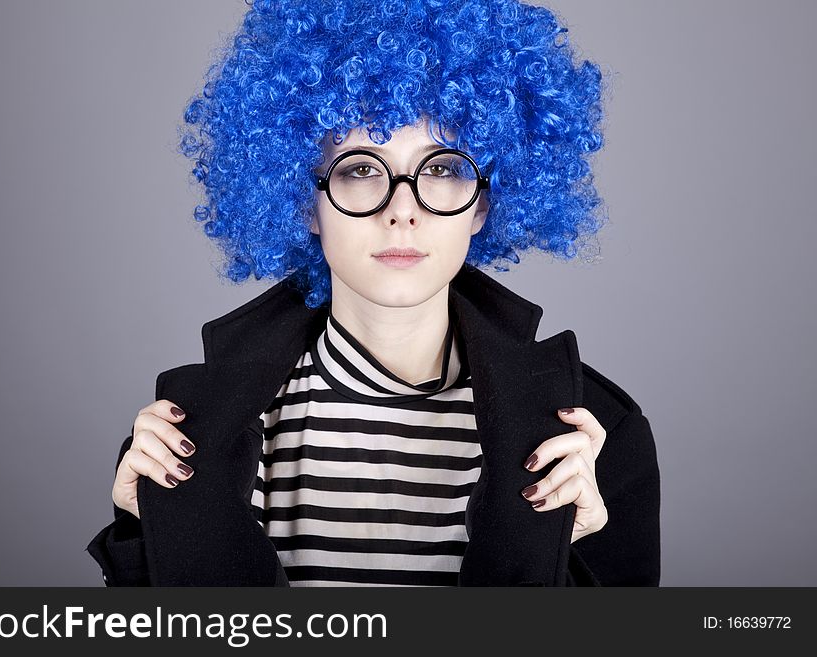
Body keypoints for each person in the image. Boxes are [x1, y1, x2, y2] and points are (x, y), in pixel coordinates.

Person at [86, 0, 660, 586]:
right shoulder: (188, 439)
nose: (402, 211)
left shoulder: (585, 440)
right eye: (360, 170)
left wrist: (569, 554)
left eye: (442, 170)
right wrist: (148, 537)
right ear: (306, 201)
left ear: (483, 203)